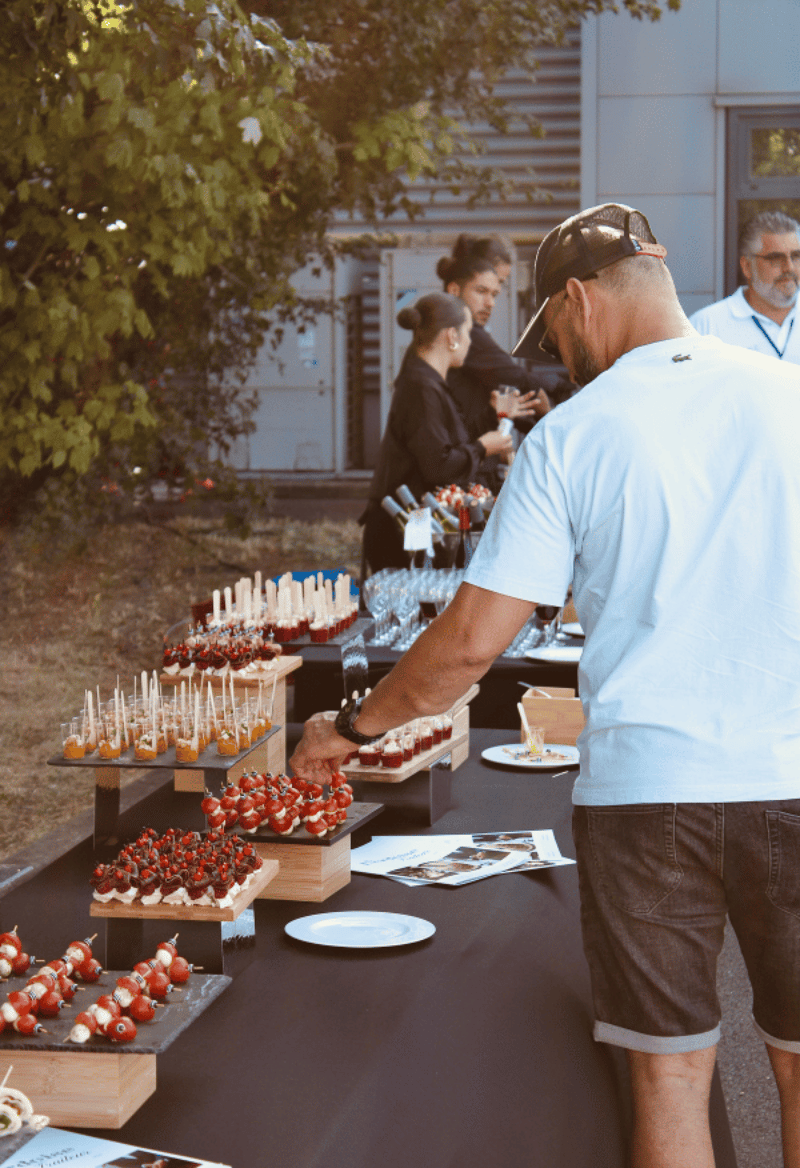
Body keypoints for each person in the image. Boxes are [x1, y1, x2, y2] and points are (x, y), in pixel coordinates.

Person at [292, 202, 800, 1168]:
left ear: (578, 298)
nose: (558, 355)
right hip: (795, 769)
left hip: (649, 797)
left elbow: (469, 646)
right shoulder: (791, 396)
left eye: (555, 330)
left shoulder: (575, 435)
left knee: (672, 1073)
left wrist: (350, 730)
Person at [361, 291, 512, 572]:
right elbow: (438, 465)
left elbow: (444, 443)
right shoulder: (421, 387)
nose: (470, 342)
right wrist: (482, 448)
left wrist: (491, 419)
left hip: (413, 522)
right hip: (405, 527)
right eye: (467, 333)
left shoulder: (425, 382)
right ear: (451, 336)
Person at [438, 247, 552, 441]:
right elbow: (516, 378)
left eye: (495, 292)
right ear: (455, 289)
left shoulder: (468, 331)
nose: (491, 303)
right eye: (482, 290)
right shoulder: (465, 333)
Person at [690, 210, 800, 363]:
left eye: (796, 256)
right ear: (747, 266)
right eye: (775, 258)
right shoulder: (706, 327)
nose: (789, 267)